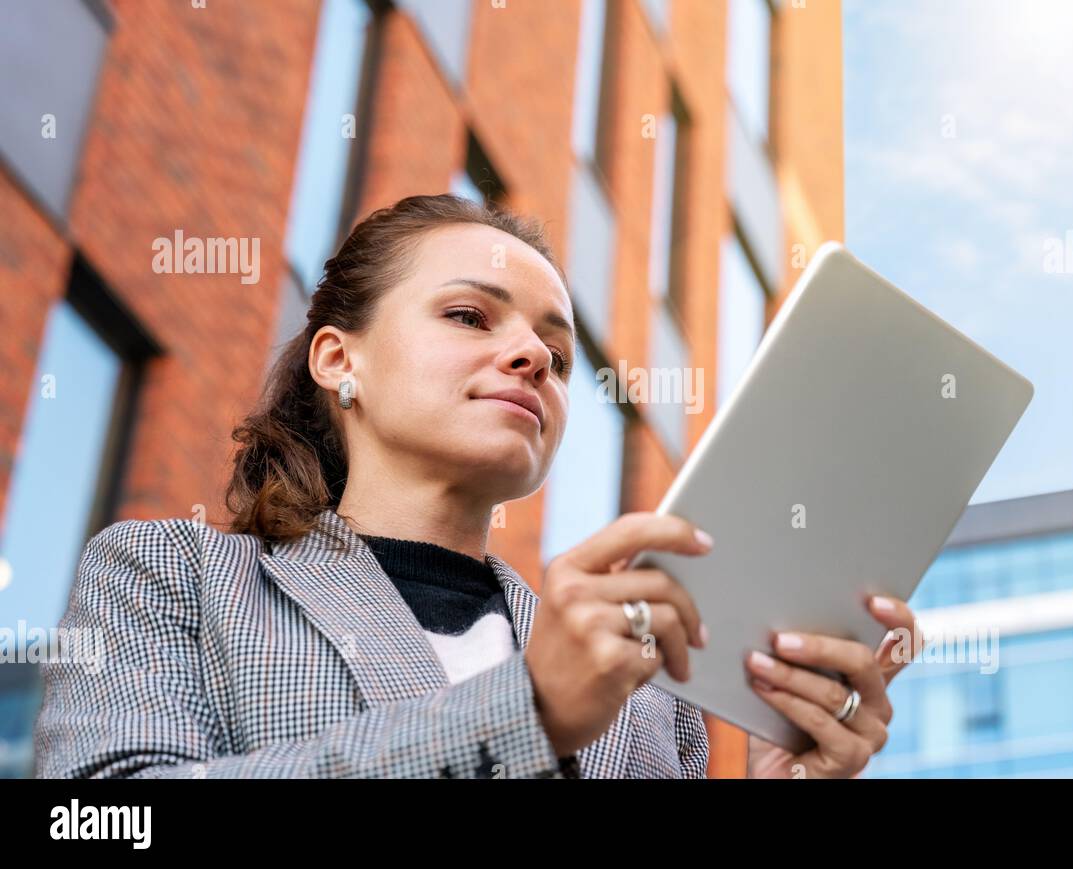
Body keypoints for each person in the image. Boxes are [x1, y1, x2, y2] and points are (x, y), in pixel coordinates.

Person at [33, 194, 921, 779]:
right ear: (341, 359)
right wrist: (522, 714)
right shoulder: (170, 576)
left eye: (559, 355)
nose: (534, 356)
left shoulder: (650, 704)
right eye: (468, 316)